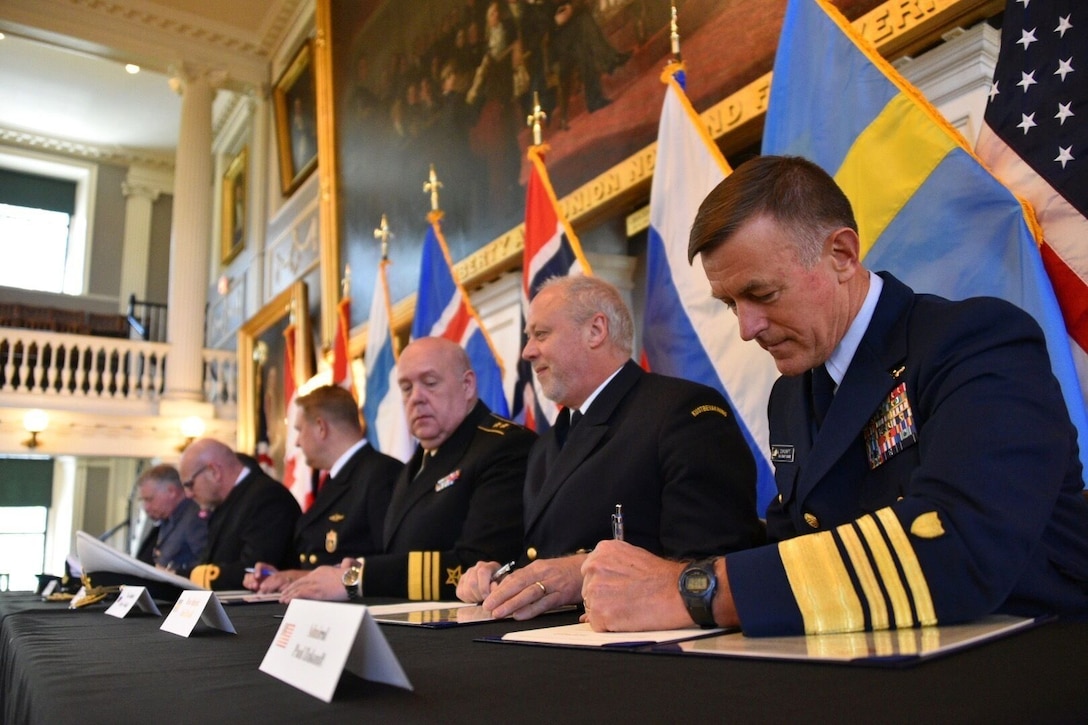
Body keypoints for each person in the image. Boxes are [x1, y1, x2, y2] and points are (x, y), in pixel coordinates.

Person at [581, 155, 1088, 636]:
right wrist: (629, 577)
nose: (747, 327)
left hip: (1029, 655)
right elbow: (801, 547)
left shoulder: (974, 341)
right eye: (731, 303)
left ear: (842, 255)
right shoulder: (790, 395)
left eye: (762, 294)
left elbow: (959, 544)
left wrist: (695, 591)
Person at [456, 275, 763, 620]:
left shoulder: (682, 412)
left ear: (596, 331)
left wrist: (584, 571)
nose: (527, 352)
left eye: (541, 334)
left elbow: (712, 564)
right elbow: (542, 554)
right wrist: (495, 577)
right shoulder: (545, 445)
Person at [280, 336, 534, 602]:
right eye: (406, 388)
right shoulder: (421, 460)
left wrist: (356, 579)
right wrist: (338, 573)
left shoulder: (504, 446)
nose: (416, 398)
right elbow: (396, 553)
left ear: (467, 385)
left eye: (430, 383)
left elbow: (479, 565)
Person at [243, 385, 403, 594]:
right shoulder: (338, 478)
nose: (298, 442)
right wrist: (286, 575)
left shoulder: (382, 474)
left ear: (321, 427)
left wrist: (298, 577)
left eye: (299, 430)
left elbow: (385, 563)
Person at [180, 438, 301, 590]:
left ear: (214, 472)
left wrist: (183, 576)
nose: (188, 494)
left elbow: (255, 570)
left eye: (190, 485)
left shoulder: (268, 497)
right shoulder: (230, 501)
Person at [134, 464, 206, 577]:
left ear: (172, 491)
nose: (146, 507)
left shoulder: (194, 518)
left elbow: (204, 565)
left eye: (149, 499)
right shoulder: (166, 519)